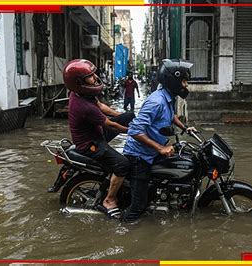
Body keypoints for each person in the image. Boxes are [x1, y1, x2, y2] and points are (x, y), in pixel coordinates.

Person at [122, 59, 197, 222]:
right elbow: (134, 130)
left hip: (151, 152)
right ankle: (123, 228)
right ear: (174, 81)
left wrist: (185, 128)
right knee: (138, 208)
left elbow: (171, 115)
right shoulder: (156, 102)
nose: (186, 86)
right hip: (139, 156)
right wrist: (160, 148)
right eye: (184, 81)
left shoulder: (167, 97)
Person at [63, 59, 134, 219]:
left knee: (129, 115)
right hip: (91, 144)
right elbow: (110, 126)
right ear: (79, 81)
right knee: (123, 165)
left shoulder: (81, 93)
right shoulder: (84, 106)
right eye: (90, 76)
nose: (95, 77)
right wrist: (133, 132)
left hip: (97, 132)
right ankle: (109, 200)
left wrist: (120, 116)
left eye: (93, 74)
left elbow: (101, 106)